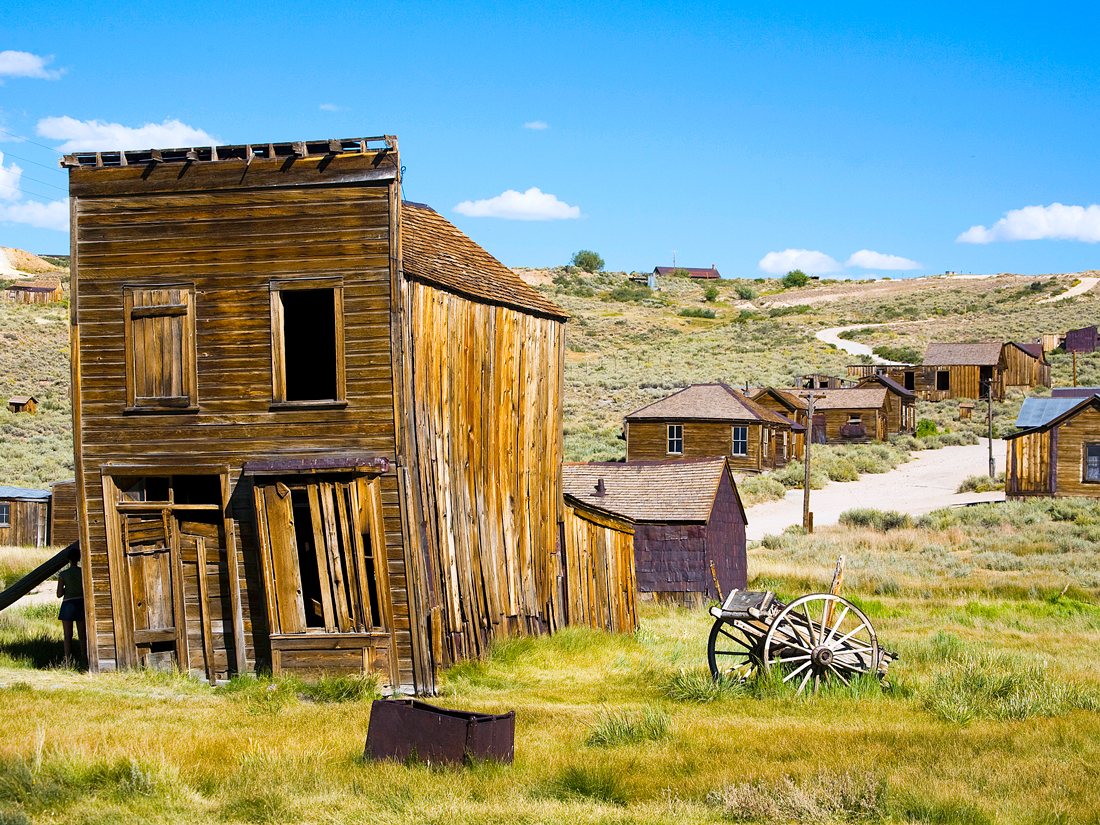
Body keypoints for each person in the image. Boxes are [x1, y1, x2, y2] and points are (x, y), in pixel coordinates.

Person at [56, 547, 86, 665]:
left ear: (68, 560)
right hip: (80, 603)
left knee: (68, 635)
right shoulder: (82, 573)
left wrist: (66, 589)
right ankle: (84, 657)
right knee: (82, 635)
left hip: (68, 604)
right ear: (79, 559)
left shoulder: (63, 574)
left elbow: (59, 594)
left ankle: (67, 659)